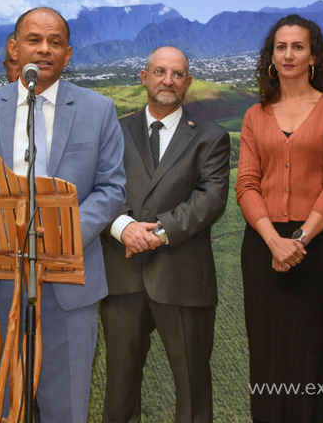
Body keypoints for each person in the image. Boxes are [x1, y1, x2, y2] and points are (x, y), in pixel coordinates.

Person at [0, 7, 126, 422]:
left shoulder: (99, 110)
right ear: (14, 47)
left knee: (65, 411)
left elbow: (113, 188)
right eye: (33, 40)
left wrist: (60, 236)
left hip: (69, 290)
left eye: (55, 42)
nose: (44, 49)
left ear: (68, 55)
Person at [101, 47, 230, 423]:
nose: (168, 80)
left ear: (188, 83)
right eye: (160, 71)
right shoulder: (114, 132)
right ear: (144, 77)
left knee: (192, 389)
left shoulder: (210, 137)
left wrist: (157, 233)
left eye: (177, 74)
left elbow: (212, 198)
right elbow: (97, 188)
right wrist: (122, 228)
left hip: (183, 280)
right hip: (122, 280)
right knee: (119, 389)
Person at [235, 14, 323, 423]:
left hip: (318, 247)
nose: (288, 54)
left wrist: (298, 240)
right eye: (280, 47)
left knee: (310, 355)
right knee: (265, 354)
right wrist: (274, 241)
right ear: (271, 57)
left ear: (314, 57)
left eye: (298, 47)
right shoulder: (255, 115)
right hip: (263, 246)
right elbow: (247, 186)